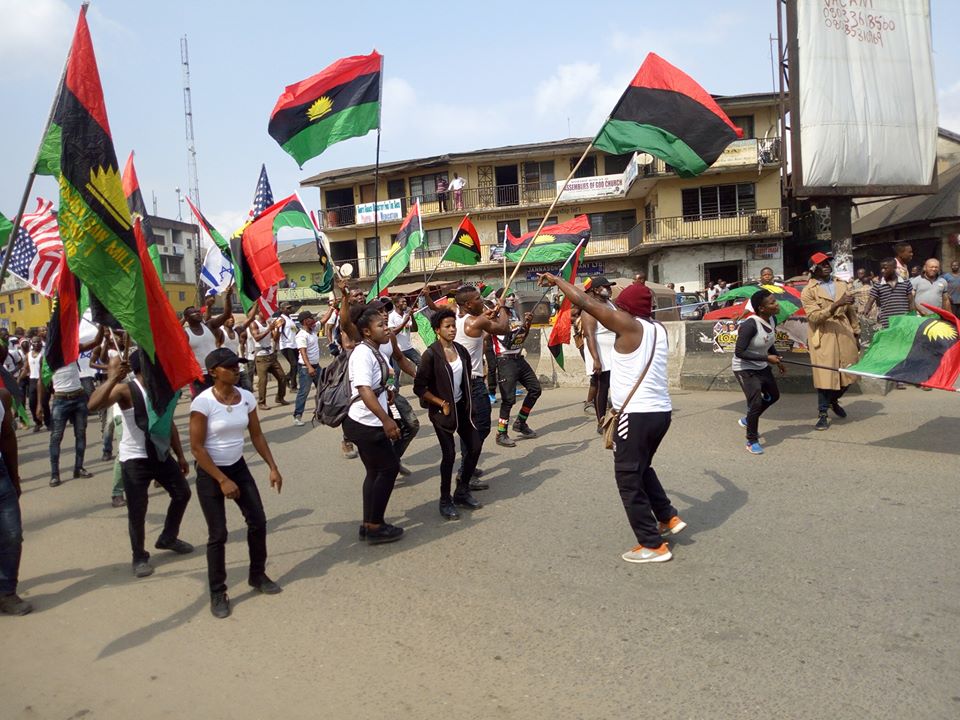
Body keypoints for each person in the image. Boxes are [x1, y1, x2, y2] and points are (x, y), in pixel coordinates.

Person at [537, 273, 686, 564]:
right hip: (660, 413)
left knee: (628, 477)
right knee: (642, 468)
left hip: (637, 415)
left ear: (626, 309)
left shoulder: (629, 327)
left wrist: (557, 280)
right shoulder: (657, 328)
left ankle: (652, 545)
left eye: (620, 304)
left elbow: (583, 301)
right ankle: (667, 516)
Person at [190, 348, 283, 619]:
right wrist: (221, 480)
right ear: (213, 372)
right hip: (211, 473)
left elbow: (256, 435)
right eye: (229, 366)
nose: (235, 370)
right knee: (218, 534)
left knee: (258, 521)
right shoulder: (203, 403)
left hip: (238, 467)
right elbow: (196, 448)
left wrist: (273, 467)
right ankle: (218, 592)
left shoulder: (246, 398)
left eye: (237, 365)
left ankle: (258, 575)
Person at [88, 351, 194, 578]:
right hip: (135, 459)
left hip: (160, 454)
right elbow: (93, 405)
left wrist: (180, 455)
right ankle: (139, 556)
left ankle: (168, 537)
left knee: (182, 493)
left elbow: (168, 422)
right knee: (138, 509)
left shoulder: (161, 390)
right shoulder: (126, 390)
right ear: (142, 368)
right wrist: (113, 378)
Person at [342, 307, 405, 544]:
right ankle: (376, 526)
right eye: (380, 325)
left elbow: (378, 383)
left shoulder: (375, 350)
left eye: (385, 323)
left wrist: (387, 391)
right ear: (367, 331)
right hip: (365, 423)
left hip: (368, 421)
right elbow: (364, 390)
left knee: (374, 471)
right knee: (388, 469)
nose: (386, 327)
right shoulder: (362, 353)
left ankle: (369, 523)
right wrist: (386, 420)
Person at [413, 308, 482, 520]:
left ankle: (462, 490)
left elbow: (466, 379)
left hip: (462, 407)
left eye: (453, 325)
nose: (452, 330)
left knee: (475, 446)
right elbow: (419, 387)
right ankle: (445, 500)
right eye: (447, 327)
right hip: (442, 412)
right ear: (437, 330)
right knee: (450, 455)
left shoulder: (461, 350)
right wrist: (440, 402)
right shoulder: (431, 354)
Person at [800, 252, 860, 429]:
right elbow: (814, 317)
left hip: (844, 332)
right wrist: (836, 304)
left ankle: (834, 401)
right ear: (813, 268)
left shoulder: (841, 285)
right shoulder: (808, 291)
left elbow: (851, 312)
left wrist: (856, 333)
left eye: (828, 262)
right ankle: (823, 413)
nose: (827, 265)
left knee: (850, 373)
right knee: (825, 376)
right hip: (823, 334)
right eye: (822, 263)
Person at [45, 325, 105, 487]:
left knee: (81, 434)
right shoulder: (49, 355)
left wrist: (101, 326)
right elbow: (40, 381)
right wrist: (39, 405)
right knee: (56, 438)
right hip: (60, 400)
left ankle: (79, 468)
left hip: (78, 398)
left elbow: (96, 341)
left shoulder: (73, 349)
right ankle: (54, 474)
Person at [733, 289, 785, 455]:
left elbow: (769, 343)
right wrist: (767, 359)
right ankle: (752, 439)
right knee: (755, 403)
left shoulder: (772, 319)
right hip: (744, 368)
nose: (776, 304)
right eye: (772, 303)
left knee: (774, 396)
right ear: (762, 308)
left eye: (775, 300)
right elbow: (739, 352)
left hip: (761, 365)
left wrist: (776, 359)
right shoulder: (750, 325)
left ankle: (749, 419)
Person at [491, 289, 541, 447]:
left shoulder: (515, 314)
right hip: (505, 360)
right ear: (499, 299)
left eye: (512, 296)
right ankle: (501, 433)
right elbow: (506, 339)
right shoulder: (495, 315)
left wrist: (527, 324)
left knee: (535, 389)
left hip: (519, 358)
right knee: (508, 400)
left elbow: (520, 338)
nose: (512, 299)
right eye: (507, 296)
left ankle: (521, 422)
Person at [0, 374, 30, 615]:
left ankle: (7, 592)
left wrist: (15, 478)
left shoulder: (2, 397)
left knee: (12, 534)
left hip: (1, 478)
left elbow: (7, 439)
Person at [581, 277, 618, 432]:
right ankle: (600, 420)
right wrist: (596, 359)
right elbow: (589, 335)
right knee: (602, 387)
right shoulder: (590, 309)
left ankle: (616, 417)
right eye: (605, 287)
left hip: (614, 350)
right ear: (596, 290)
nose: (609, 289)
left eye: (609, 287)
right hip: (599, 351)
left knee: (615, 385)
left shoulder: (610, 304)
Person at [183, 289, 233, 396]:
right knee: (203, 401)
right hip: (199, 376)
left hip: (217, 371)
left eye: (198, 311)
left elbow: (226, 314)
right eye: (193, 313)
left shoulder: (209, 326)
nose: (198, 313)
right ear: (187, 318)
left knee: (222, 398)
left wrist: (227, 298)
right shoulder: (185, 334)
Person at [249, 312, 288, 410]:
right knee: (263, 381)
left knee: (282, 377)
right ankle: (262, 402)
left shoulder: (268, 323)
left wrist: (278, 328)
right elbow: (257, 338)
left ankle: (280, 397)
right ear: (259, 312)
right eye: (264, 311)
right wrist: (269, 329)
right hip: (261, 357)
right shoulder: (254, 324)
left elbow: (275, 338)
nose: (267, 313)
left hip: (270, 354)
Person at [863, 258, 916, 329]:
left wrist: (913, 316)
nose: (882, 271)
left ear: (894, 267)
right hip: (887, 323)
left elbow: (911, 302)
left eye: (885, 268)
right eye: (881, 268)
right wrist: (865, 313)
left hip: (904, 321)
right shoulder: (878, 285)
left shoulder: (905, 283)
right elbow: (870, 301)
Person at [293, 310, 322, 426]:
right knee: (304, 392)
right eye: (310, 318)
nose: (313, 320)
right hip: (306, 368)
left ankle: (319, 412)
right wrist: (309, 367)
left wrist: (332, 308)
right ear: (305, 321)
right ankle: (297, 416)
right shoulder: (301, 335)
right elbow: (303, 353)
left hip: (316, 366)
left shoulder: (313, 330)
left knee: (321, 389)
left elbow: (323, 321)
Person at [387, 294, 421, 388]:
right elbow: (393, 332)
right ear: (397, 304)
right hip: (396, 349)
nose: (405, 303)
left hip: (408, 348)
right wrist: (405, 322)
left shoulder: (406, 315)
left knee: (421, 362)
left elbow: (414, 329)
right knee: (396, 371)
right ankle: (392, 388)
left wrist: (412, 317)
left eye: (406, 302)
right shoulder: (391, 317)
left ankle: (421, 383)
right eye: (403, 302)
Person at [22, 337, 48, 432]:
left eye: (38, 342)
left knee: (44, 402)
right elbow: (26, 368)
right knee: (32, 403)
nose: (37, 344)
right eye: (35, 342)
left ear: (41, 343)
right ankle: (38, 422)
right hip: (32, 380)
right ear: (31, 343)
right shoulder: (28, 355)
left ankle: (48, 422)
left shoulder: (44, 353)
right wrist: (18, 379)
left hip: (44, 380)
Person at [277, 303, 300, 393]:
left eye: (290, 307)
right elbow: (277, 333)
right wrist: (276, 346)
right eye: (288, 308)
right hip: (286, 345)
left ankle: (287, 378)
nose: (290, 309)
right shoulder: (281, 319)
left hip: (294, 345)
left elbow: (294, 330)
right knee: (294, 364)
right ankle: (293, 386)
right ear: (282, 309)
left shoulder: (290, 319)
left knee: (296, 365)